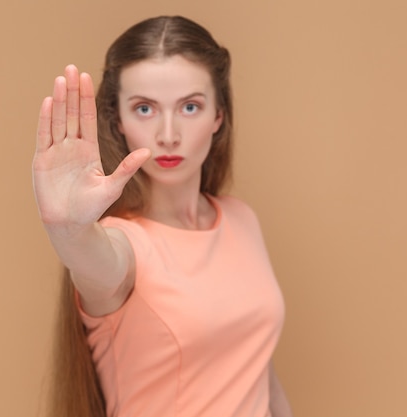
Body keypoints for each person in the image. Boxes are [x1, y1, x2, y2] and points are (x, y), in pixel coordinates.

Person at [33, 15, 293, 417]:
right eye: (144, 109)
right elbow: (93, 259)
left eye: (190, 106)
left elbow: (261, 375)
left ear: (218, 116)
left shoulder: (242, 220)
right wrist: (69, 229)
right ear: (117, 121)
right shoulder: (123, 245)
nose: (168, 133)